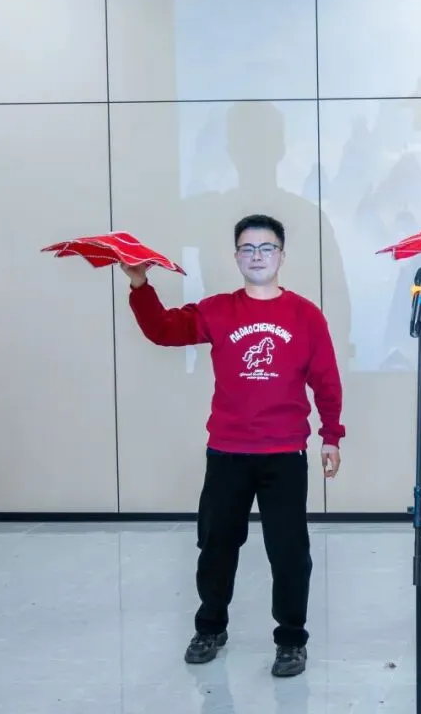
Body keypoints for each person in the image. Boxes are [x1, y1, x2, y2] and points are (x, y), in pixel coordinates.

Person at [120, 214, 345, 678]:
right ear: (236, 256)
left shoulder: (306, 315)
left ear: (282, 255)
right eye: (248, 248)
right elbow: (163, 329)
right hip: (227, 453)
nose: (257, 256)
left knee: (289, 552)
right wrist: (140, 283)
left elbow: (326, 380)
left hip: (284, 454)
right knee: (217, 545)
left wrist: (331, 436)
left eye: (266, 248)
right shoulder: (218, 310)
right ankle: (210, 628)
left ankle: (291, 640)